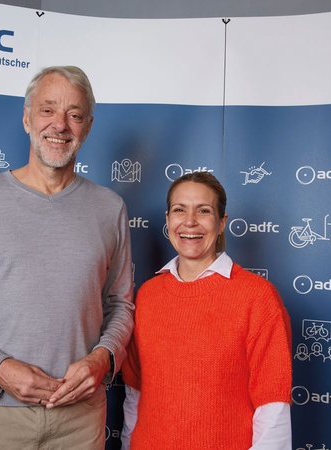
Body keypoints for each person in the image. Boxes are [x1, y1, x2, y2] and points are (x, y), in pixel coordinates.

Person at [0, 65, 135, 449]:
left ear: (87, 127)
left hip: (79, 419)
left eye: (74, 114)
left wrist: (103, 358)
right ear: (26, 118)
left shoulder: (110, 209)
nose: (60, 125)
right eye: (47, 110)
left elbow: (120, 305)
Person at [121, 172, 292, 449]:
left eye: (203, 211)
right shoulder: (147, 295)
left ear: (221, 222)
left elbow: (273, 407)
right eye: (180, 210)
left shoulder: (258, 297)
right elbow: (134, 393)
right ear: (168, 219)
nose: (190, 221)